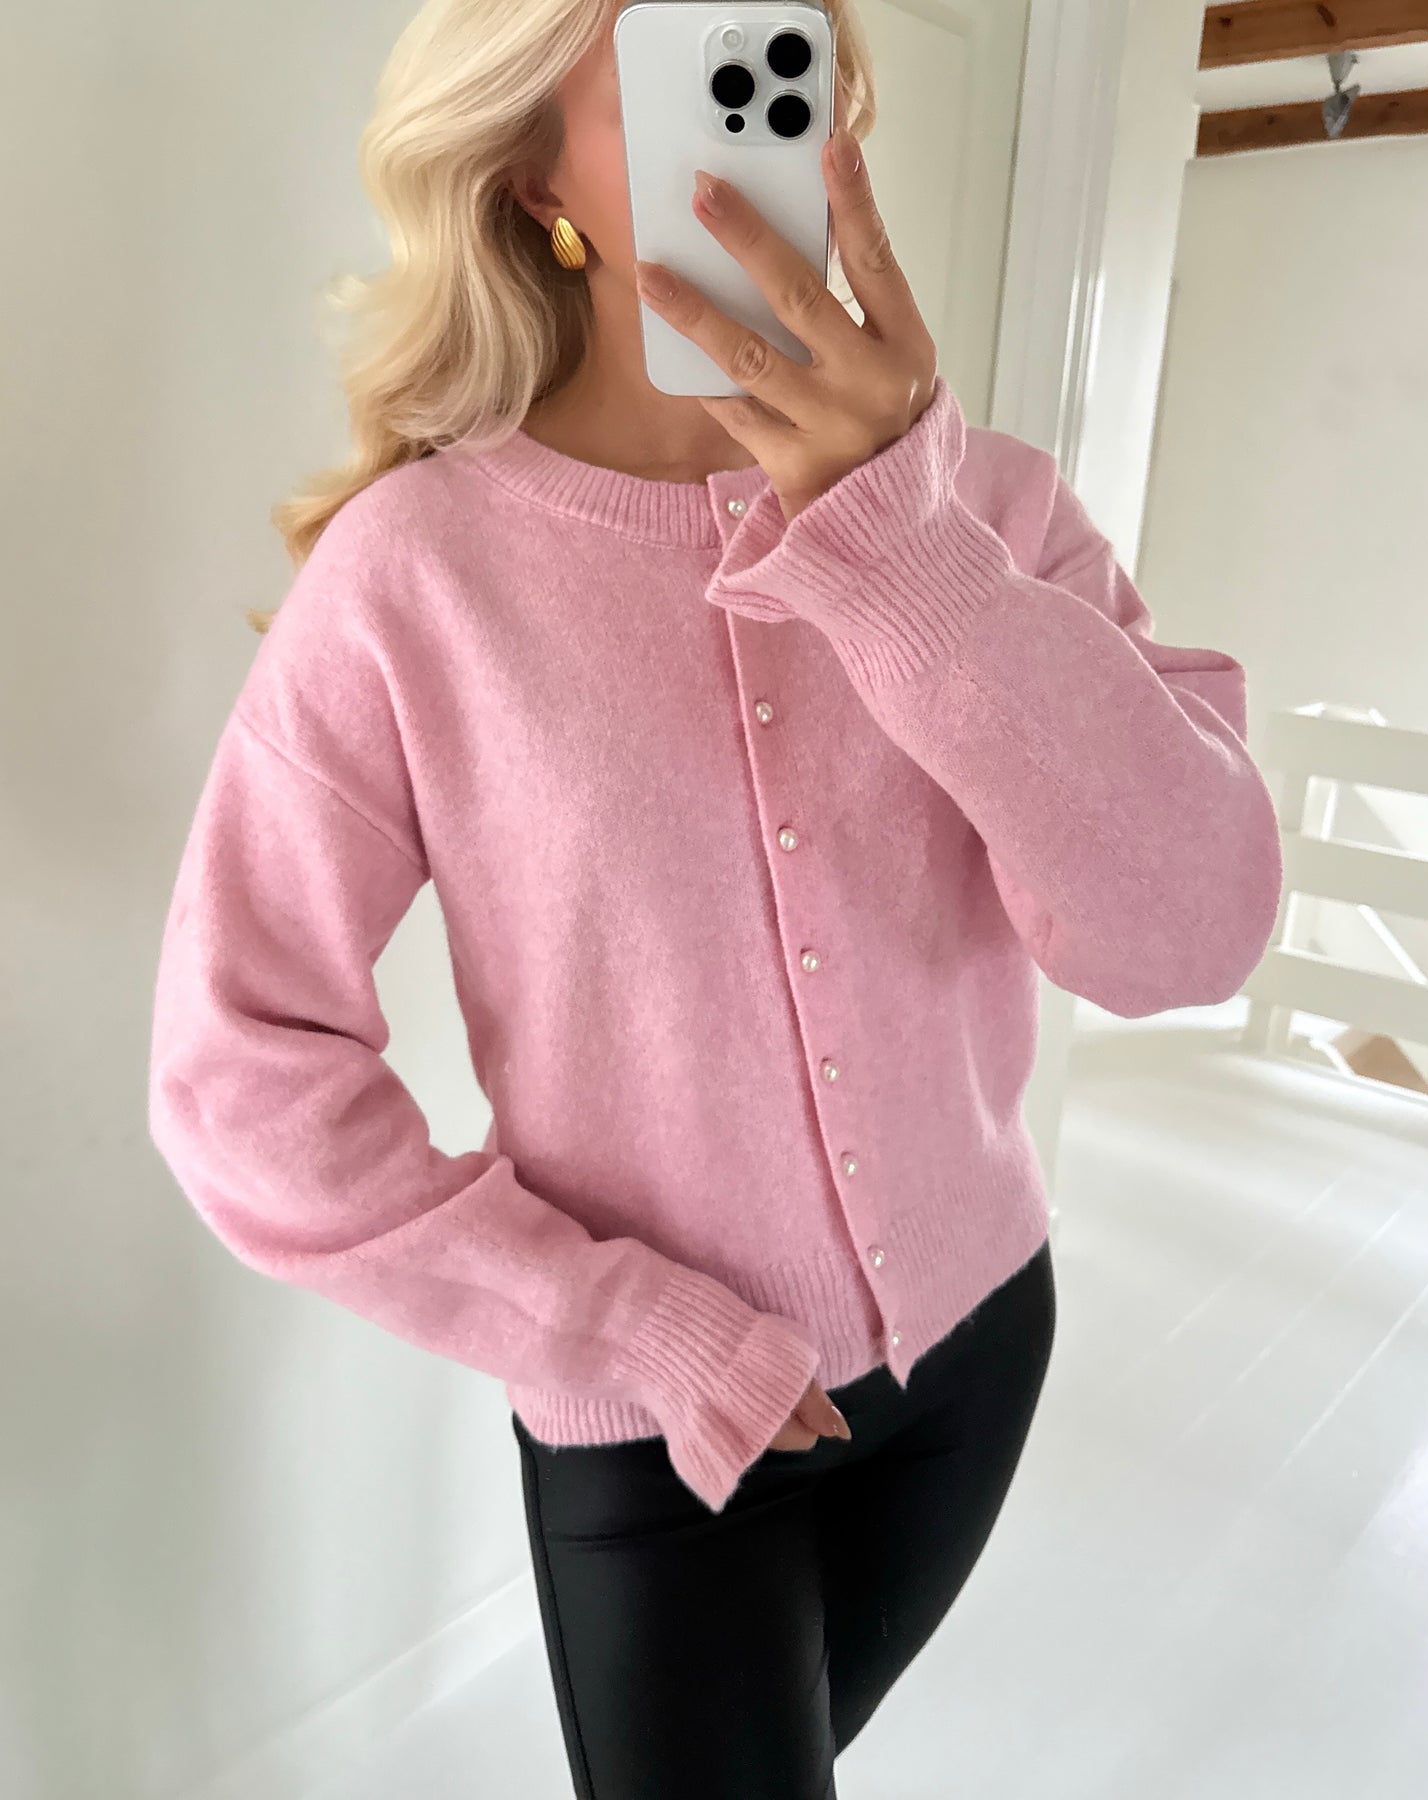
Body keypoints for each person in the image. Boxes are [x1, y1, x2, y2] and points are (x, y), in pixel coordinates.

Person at [147, 2, 1284, 1795]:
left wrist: (906, 548)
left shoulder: (990, 511)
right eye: (680, 56)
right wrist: (613, 1327)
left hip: (979, 1351)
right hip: (660, 1433)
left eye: (789, 46)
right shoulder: (415, 579)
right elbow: (237, 1074)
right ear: (536, 175)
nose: (761, 110)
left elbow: (1191, 934)